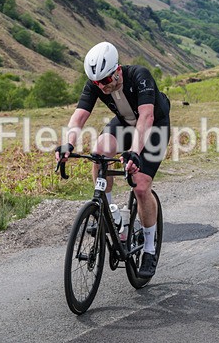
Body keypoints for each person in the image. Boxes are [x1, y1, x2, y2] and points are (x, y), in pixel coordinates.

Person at [55, 42, 171, 278]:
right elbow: (79, 116)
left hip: (154, 127)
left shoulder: (139, 76)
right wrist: (68, 143)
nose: (103, 87)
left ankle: (149, 248)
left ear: (117, 70)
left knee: (139, 186)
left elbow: (146, 117)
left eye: (106, 81)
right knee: (99, 152)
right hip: (125, 123)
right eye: (98, 84)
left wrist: (135, 152)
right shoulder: (97, 83)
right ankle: (109, 212)